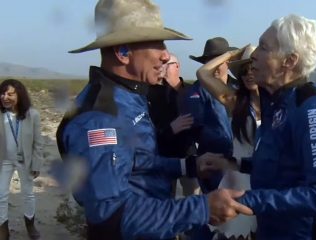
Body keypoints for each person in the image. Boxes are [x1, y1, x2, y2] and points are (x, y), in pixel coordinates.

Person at [56, 0, 252, 240]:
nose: (166, 56)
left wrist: (188, 165)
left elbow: (136, 162)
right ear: (123, 52)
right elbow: (108, 216)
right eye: (158, 45)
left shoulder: (128, 97)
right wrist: (201, 208)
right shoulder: (100, 119)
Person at [202, 14, 316, 239]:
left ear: (289, 61)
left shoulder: (310, 107)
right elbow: (280, 165)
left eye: (264, 48)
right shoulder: (276, 102)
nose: (254, 55)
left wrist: (247, 200)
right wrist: (232, 163)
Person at [196, 45, 259, 239]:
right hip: (238, 178)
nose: (248, 75)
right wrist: (230, 54)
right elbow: (203, 73)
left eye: (253, 69)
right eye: (243, 71)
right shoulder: (236, 101)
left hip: (265, 178)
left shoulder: (279, 105)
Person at [183, 37, 238, 193]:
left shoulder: (240, 88)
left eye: (218, 60)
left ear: (227, 62)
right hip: (214, 163)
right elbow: (192, 128)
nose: (213, 66)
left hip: (240, 162)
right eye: (209, 61)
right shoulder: (195, 92)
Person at [147, 54, 199, 197]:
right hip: (165, 156)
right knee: (165, 200)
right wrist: (171, 128)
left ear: (177, 66)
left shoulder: (192, 91)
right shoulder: (151, 94)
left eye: (167, 64)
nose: (162, 68)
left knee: (194, 197)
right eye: (161, 64)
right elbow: (148, 131)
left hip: (189, 154)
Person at [0, 79, 43, 240]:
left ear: (19, 95)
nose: (5, 97)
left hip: (25, 160)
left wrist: (36, 163)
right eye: (2, 93)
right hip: (4, 160)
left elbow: (38, 142)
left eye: (10, 94)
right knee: (1, 195)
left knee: (28, 194)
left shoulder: (32, 115)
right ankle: (3, 229)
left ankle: (30, 225)